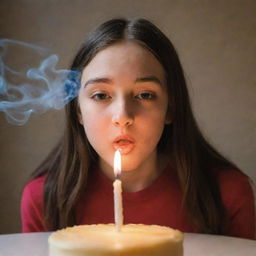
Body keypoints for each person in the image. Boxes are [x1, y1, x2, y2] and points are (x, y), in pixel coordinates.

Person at [21, 18, 255, 239]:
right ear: (78, 110)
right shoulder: (43, 199)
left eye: (145, 95)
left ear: (170, 108)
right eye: (101, 95)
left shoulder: (226, 194)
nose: (123, 116)